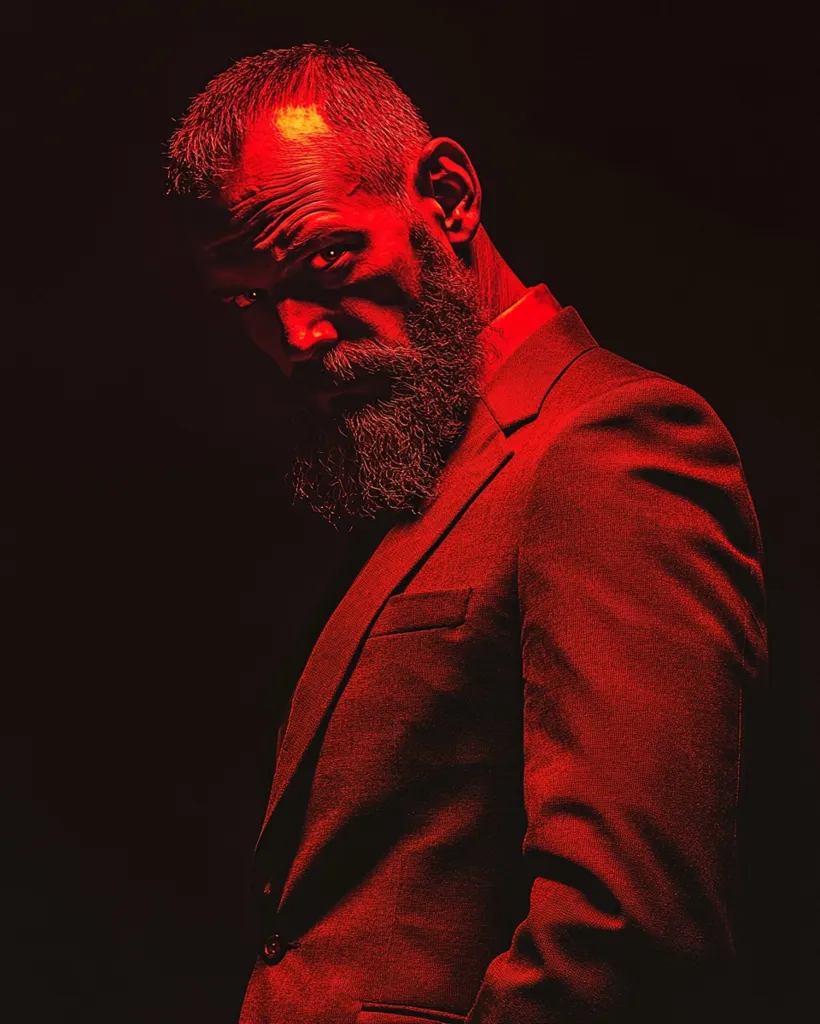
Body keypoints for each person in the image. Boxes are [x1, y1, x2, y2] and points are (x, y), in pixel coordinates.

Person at [167, 42, 767, 1024]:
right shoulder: (425, 460)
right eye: (249, 302)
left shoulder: (609, 444)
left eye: (324, 258)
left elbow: (628, 930)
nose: (298, 337)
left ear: (445, 196)